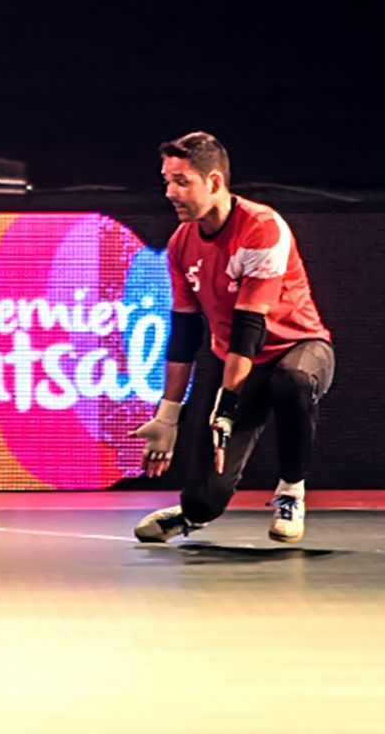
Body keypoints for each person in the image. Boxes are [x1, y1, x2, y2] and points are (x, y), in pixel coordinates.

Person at [131, 131, 334, 543]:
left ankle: (291, 492)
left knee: (291, 382)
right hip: (237, 362)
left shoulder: (261, 228)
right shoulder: (179, 244)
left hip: (298, 348)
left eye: (181, 181)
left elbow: (249, 330)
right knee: (205, 499)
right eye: (166, 180)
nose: (170, 192)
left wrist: (226, 407)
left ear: (215, 182)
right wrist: (168, 416)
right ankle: (194, 513)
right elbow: (185, 334)